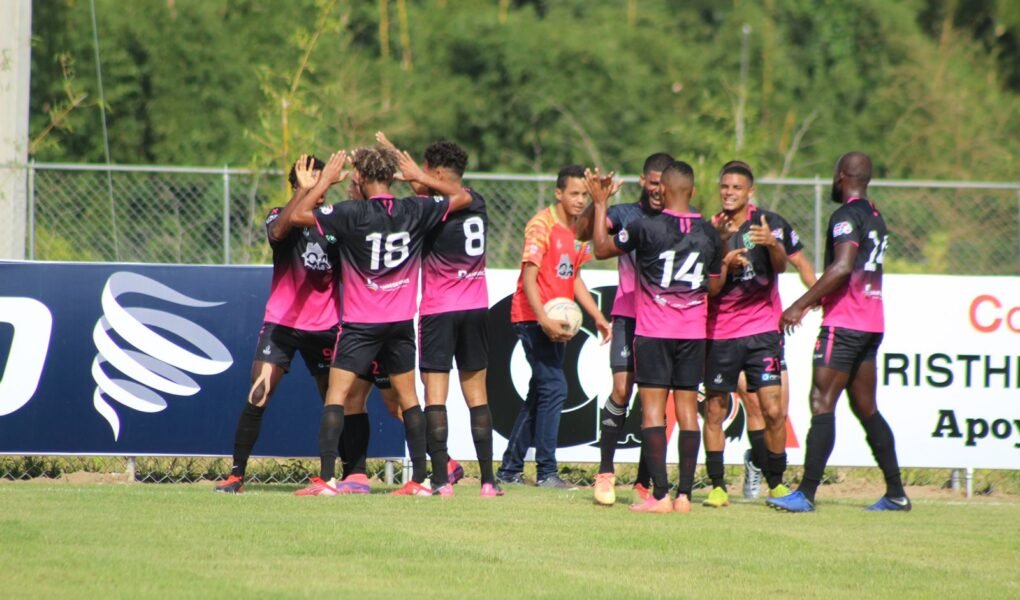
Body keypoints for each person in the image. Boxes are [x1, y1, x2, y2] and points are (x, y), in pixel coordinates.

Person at [288, 147, 472, 496]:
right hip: (400, 322)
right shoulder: (414, 208)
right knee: (409, 400)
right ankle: (420, 481)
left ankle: (326, 479)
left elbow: (297, 215)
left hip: (361, 323)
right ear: (392, 176)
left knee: (337, 396)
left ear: (359, 177)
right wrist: (420, 177)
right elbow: (462, 197)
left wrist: (323, 182)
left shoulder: (351, 212)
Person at [214, 155, 373, 494]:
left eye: (323, 182)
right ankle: (236, 476)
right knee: (259, 394)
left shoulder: (333, 223)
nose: (321, 189)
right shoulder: (280, 215)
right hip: (282, 325)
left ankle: (350, 475)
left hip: (326, 327)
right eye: (312, 182)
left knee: (338, 400)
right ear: (297, 185)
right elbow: (278, 232)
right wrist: (304, 190)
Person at [588, 161, 733, 513]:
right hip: (693, 333)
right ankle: (684, 496)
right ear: (693, 191)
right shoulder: (709, 232)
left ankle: (660, 495)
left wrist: (601, 202)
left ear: (663, 190)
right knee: (688, 412)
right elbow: (715, 287)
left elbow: (601, 249)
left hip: (654, 331)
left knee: (652, 411)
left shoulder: (646, 226)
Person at [769, 151, 910, 512]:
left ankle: (806, 493)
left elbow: (843, 267)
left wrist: (799, 304)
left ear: (841, 176)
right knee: (866, 408)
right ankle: (896, 493)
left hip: (845, 324)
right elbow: (853, 270)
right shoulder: (875, 216)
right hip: (871, 322)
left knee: (821, 402)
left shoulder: (845, 216)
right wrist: (820, 298)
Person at [376, 132, 500, 498]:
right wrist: (405, 163)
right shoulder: (476, 200)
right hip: (475, 309)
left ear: (437, 173)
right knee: (477, 396)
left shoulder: (429, 209)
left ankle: (442, 481)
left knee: (436, 397)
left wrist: (412, 175)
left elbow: (424, 192)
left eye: (425, 171)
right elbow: (432, 188)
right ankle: (489, 482)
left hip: (439, 311)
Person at [495, 165, 612, 490]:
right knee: (555, 388)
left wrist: (597, 316)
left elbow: (574, 278)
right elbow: (528, 278)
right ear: (559, 193)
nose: (580, 200)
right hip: (532, 318)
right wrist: (543, 319)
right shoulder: (541, 225)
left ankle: (509, 470)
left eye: (584, 194)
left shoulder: (578, 231)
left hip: (556, 322)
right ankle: (547, 472)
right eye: (574, 193)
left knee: (542, 391)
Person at [700, 161, 803, 508]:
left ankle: (777, 483)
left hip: (763, 332)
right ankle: (717, 486)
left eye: (736, 187)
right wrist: (724, 262)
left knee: (773, 410)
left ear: (750, 191)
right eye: (725, 186)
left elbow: (781, 266)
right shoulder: (710, 229)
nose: (729, 193)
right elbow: (711, 289)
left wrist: (772, 244)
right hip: (721, 333)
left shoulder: (768, 224)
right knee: (715, 410)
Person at [575, 152, 675, 506]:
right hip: (629, 314)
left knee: (654, 401)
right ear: (642, 181)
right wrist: (598, 201)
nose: (657, 190)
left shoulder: (681, 221)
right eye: (652, 182)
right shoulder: (625, 215)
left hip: (664, 321)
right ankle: (605, 473)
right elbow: (582, 233)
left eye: (663, 184)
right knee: (621, 389)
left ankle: (645, 482)